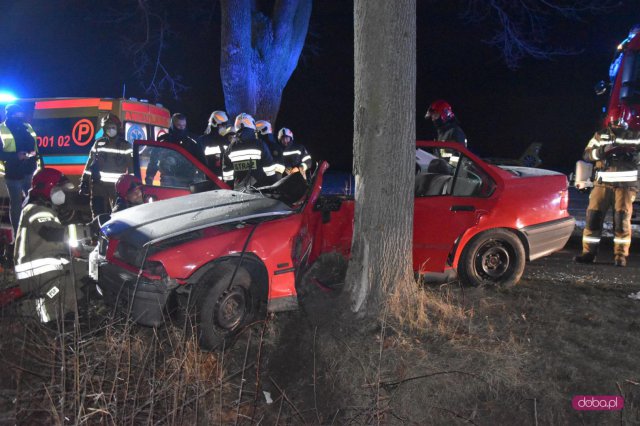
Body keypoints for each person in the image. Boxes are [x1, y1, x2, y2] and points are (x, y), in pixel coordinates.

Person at [1, 168, 89, 322]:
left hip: (53, 265)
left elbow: (56, 241)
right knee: (66, 298)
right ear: (48, 189)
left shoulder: (46, 209)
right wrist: (88, 231)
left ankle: (88, 309)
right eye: (59, 189)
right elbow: (51, 233)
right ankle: (25, 312)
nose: (63, 194)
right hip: (37, 271)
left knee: (90, 270)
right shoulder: (35, 210)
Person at [574, 127, 639, 267]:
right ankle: (588, 254)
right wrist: (604, 151)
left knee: (621, 222)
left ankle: (620, 256)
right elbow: (587, 155)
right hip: (602, 185)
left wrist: (632, 155)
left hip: (625, 186)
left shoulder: (636, 135)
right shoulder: (600, 135)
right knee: (593, 219)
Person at [79, 114, 133, 218]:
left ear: (118, 128)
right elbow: (90, 163)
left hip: (117, 187)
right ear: (104, 129)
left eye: (113, 127)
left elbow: (131, 167)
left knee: (118, 215)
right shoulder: (98, 143)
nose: (110, 130)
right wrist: (84, 181)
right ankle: (98, 233)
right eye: (108, 127)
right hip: (99, 185)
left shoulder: (125, 145)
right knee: (98, 214)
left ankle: (116, 234)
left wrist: (132, 184)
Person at [0, 104, 39, 243]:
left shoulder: (27, 127)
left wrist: (33, 156)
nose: (20, 116)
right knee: (16, 204)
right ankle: (18, 235)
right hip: (13, 172)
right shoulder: (2, 129)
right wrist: (16, 156)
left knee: (33, 202)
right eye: (17, 114)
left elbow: (36, 148)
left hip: (29, 170)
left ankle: (32, 230)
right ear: (10, 114)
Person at [145, 113, 206, 186]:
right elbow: (153, 160)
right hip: (167, 179)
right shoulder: (164, 140)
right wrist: (150, 176)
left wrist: (201, 178)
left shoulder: (193, 141)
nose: (182, 128)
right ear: (172, 125)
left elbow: (202, 162)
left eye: (183, 126)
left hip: (188, 180)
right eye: (179, 126)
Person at [222, 113, 276, 190]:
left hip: (238, 192)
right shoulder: (260, 144)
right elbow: (270, 170)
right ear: (252, 125)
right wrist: (273, 187)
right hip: (259, 190)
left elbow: (227, 175)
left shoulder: (230, 148)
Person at [198, 110, 229, 179]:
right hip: (212, 180)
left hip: (216, 180)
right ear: (215, 124)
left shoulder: (201, 140)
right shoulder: (203, 141)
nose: (225, 127)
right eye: (223, 125)